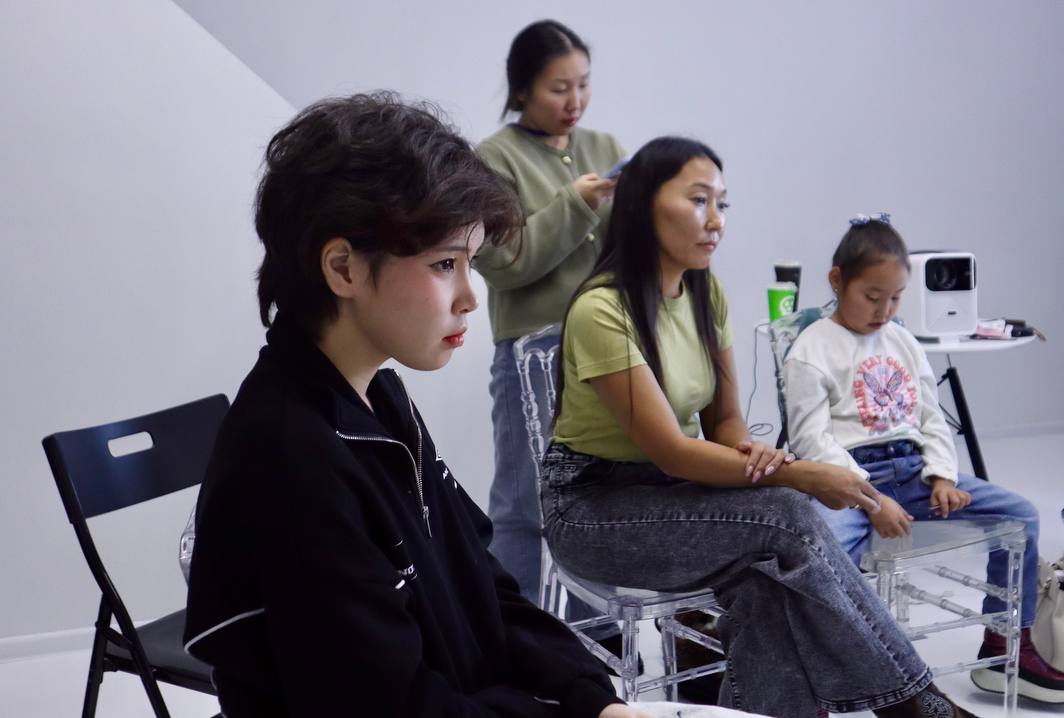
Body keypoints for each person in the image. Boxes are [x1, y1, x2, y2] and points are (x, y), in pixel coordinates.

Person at [183, 92, 646, 718]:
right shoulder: (291, 456)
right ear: (343, 268)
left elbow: (484, 585)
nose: (469, 297)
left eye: (470, 263)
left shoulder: (379, 399)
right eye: (445, 264)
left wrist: (589, 697)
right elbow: (394, 706)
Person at [541, 135, 983, 718]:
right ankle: (918, 704)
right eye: (698, 200)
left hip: (671, 494)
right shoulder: (602, 310)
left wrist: (760, 458)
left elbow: (723, 421)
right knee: (787, 514)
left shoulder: (705, 293)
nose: (716, 220)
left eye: (722, 203)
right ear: (643, 204)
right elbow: (674, 451)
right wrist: (797, 474)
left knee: (766, 579)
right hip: (593, 510)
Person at [780, 216, 1064, 705]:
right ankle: (840, 664)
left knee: (1021, 516)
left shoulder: (902, 340)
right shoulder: (811, 350)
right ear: (837, 281)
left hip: (914, 471)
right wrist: (871, 500)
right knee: (824, 552)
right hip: (849, 480)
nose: (884, 310)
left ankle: (1006, 643)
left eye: (896, 298)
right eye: (871, 297)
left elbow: (929, 415)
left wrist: (941, 474)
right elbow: (812, 441)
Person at [474, 19, 627, 609]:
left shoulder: (604, 147)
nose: (575, 100)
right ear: (521, 90)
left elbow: (628, 250)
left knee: (598, 496)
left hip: (608, 349)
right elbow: (504, 261)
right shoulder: (494, 159)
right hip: (531, 355)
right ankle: (512, 635)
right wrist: (577, 203)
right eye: (559, 88)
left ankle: (598, 632)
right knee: (524, 503)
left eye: (583, 84)